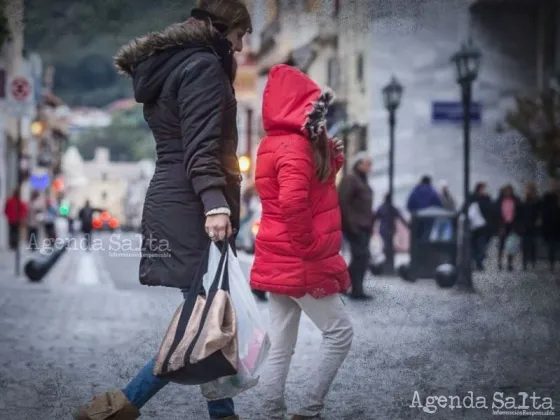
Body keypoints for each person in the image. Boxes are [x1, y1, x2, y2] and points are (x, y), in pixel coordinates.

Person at [74, 1, 252, 420]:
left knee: (208, 316)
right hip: (192, 206)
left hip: (175, 199)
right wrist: (214, 205)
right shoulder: (204, 67)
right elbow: (201, 146)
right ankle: (121, 404)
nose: (241, 47)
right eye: (240, 35)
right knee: (202, 319)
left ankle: (222, 414)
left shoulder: (175, 66)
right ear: (218, 27)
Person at [250, 64, 353, 420]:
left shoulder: (273, 144)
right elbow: (293, 202)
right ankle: (309, 411)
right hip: (299, 259)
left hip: (277, 257)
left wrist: (332, 159)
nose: (316, 115)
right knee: (340, 333)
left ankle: (271, 410)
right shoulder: (295, 147)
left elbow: (307, 190)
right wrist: (308, 245)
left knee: (280, 345)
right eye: (311, 106)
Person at [338, 151, 375, 299]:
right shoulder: (350, 179)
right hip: (355, 226)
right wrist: (350, 225)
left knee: (362, 257)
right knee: (361, 256)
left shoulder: (362, 180)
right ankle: (352, 288)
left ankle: (355, 288)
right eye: (368, 164)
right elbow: (343, 202)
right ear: (359, 164)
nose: (370, 167)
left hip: (364, 226)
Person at [468, 182, 495, 271]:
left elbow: (491, 212)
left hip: (483, 228)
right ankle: (476, 262)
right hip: (474, 228)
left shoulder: (486, 199)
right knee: (475, 246)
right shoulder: (472, 198)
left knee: (481, 246)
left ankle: (478, 262)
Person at [375, 193, 409, 263]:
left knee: (387, 244)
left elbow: (375, 218)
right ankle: (388, 260)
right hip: (390, 229)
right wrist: (408, 226)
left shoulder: (382, 208)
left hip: (384, 229)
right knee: (388, 245)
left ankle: (387, 260)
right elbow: (401, 218)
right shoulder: (393, 208)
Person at [495, 184, 522, 271]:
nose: (507, 192)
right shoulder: (499, 201)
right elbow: (495, 212)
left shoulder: (515, 200)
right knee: (501, 244)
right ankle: (499, 262)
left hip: (512, 225)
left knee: (511, 245)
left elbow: (519, 212)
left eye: (509, 190)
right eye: (506, 190)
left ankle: (510, 264)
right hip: (502, 224)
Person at [519, 182, 540, 270]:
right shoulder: (524, 201)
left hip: (533, 226)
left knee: (532, 245)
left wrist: (538, 220)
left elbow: (539, 213)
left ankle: (532, 263)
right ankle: (525, 263)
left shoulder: (537, 201)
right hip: (525, 226)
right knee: (525, 246)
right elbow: (520, 213)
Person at [540, 177, 560, 272]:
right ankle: (552, 264)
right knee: (552, 246)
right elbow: (544, 211)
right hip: (551, 226)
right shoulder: (547, 196)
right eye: (553, 184)